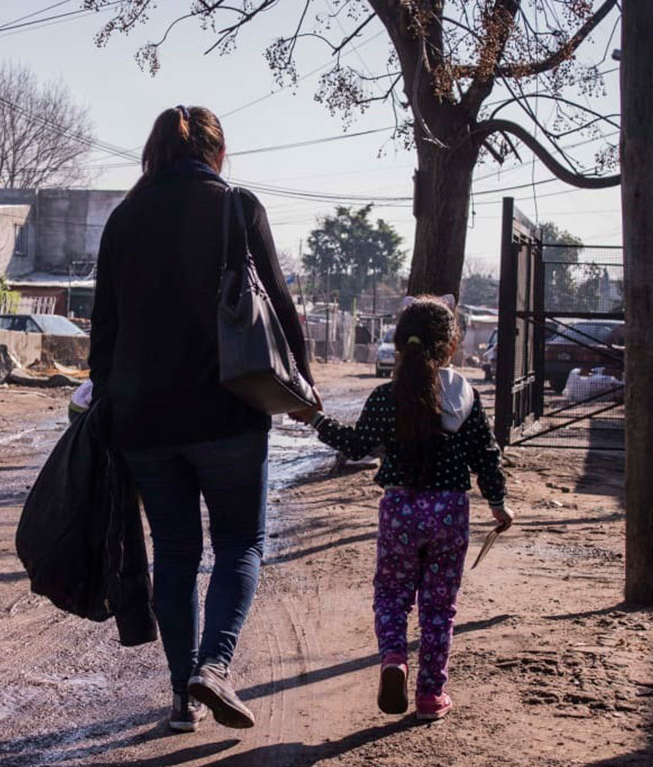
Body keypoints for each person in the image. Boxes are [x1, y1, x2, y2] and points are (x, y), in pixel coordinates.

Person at [90, 105, 317, 734]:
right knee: (240, 542)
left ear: (153, 152)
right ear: (216, 152)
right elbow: (278, 302)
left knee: (177, 553)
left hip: (144, 423)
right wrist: (302, 385)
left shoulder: (124, 219)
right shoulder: (234, 207)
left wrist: (106, 402)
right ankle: (214, 666)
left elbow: (103, 329)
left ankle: (180, 698)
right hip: (229, 409)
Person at [293, 296, 512, 721]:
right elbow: (486, 454)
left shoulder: (385, 397)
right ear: (451, 346)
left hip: (400, 510)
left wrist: (316, 420)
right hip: (450, 512)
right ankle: (431, 696)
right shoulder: (465, 396)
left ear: (399, 343)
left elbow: (357, 445)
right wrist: (498, 503)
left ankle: (394, 656)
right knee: (439, 606)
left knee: (392, 594)